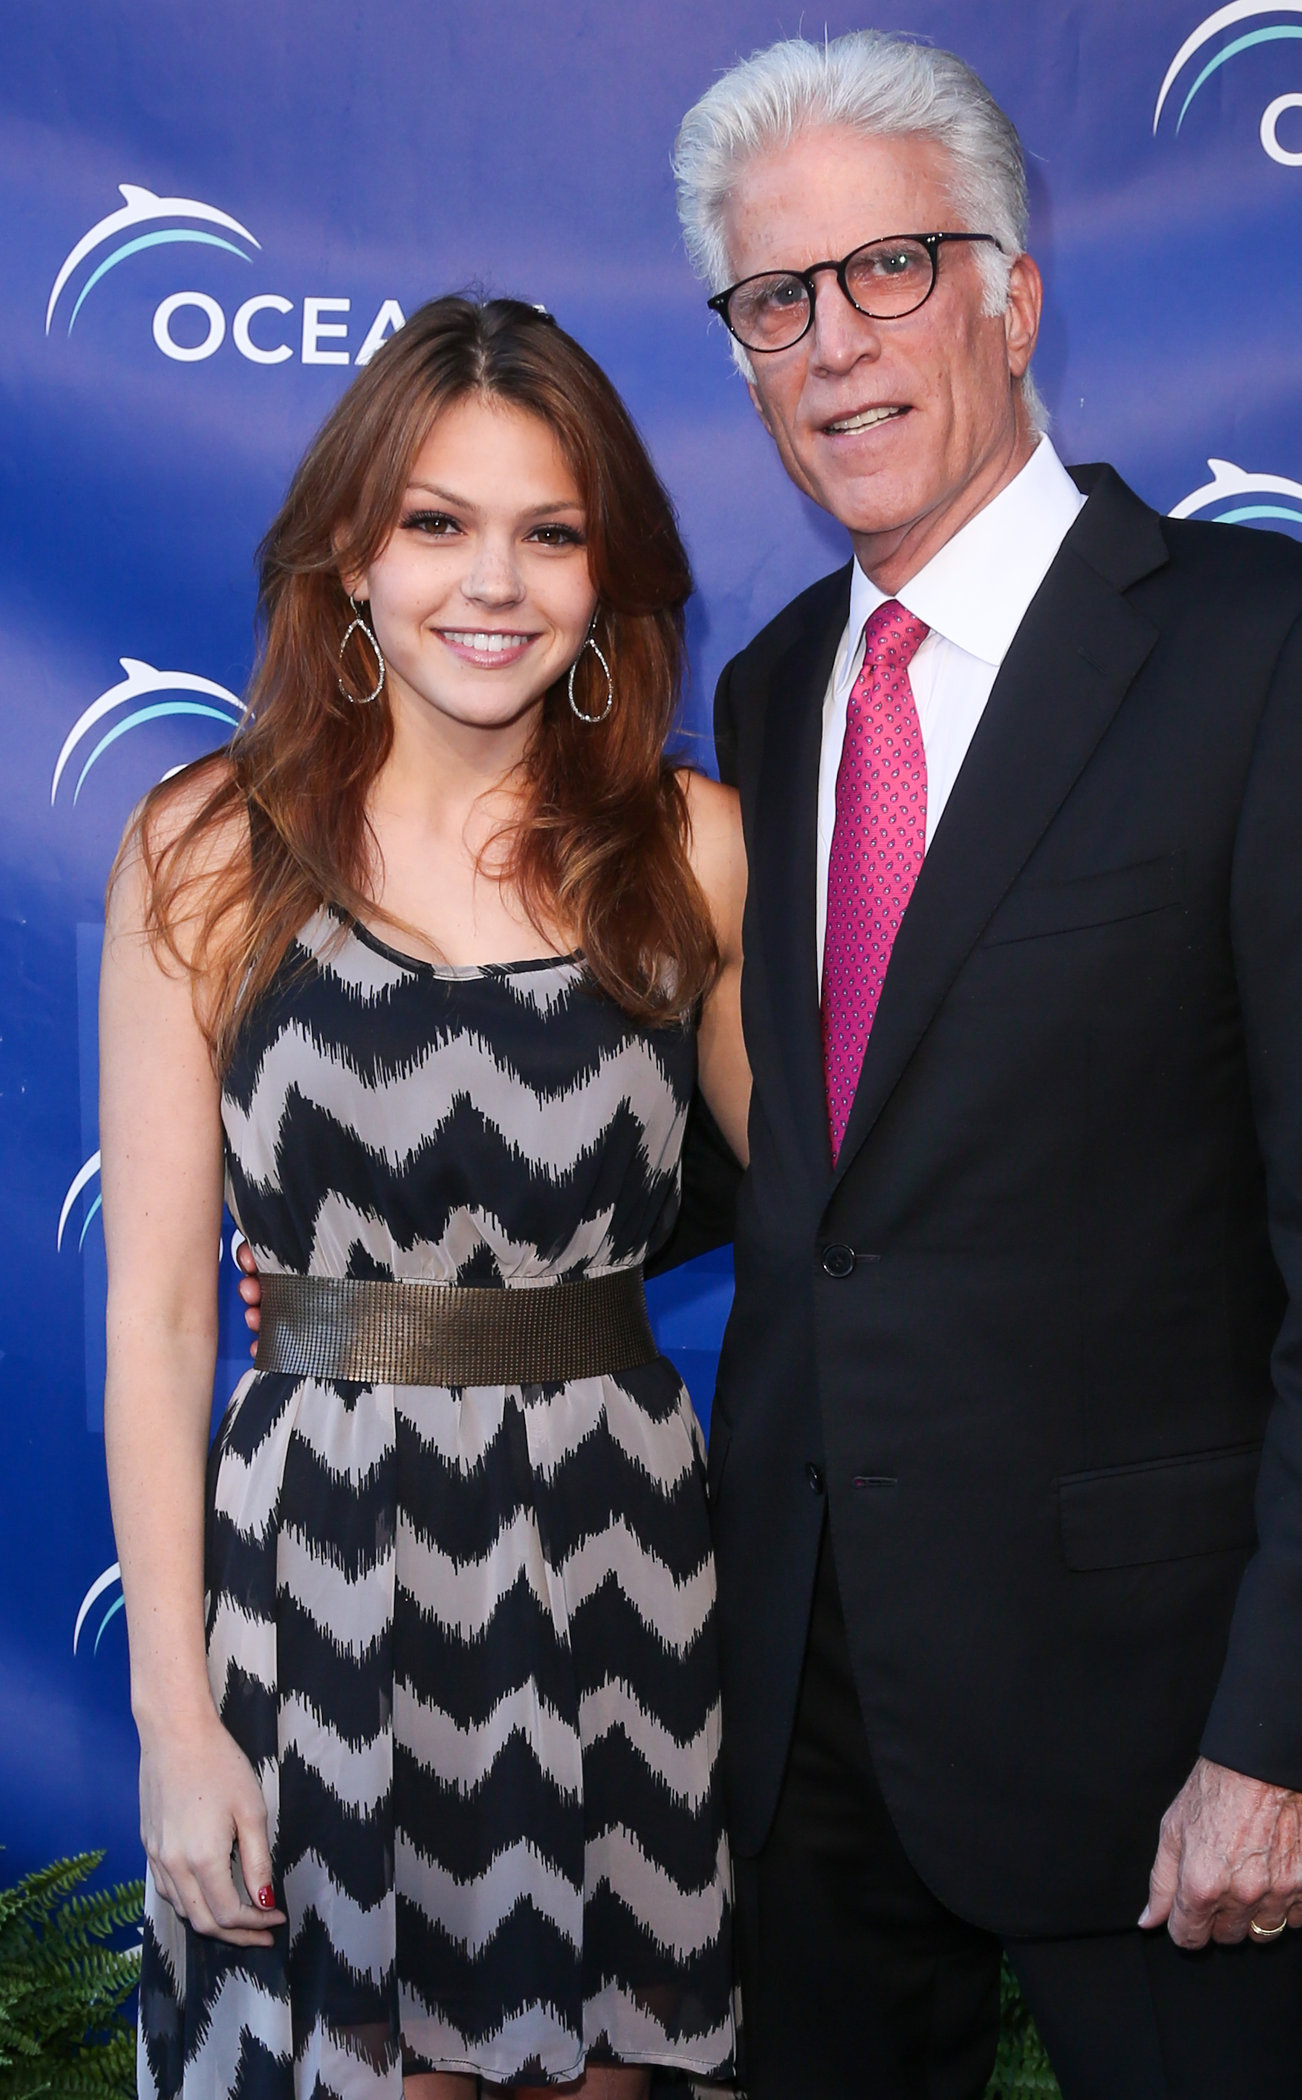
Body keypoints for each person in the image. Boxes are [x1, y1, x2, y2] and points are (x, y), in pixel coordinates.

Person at [659, 31, 1302, 2100]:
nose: (833, 344)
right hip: (806, 1724)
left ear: (1017, 297)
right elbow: (796, 1160)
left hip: (1160, 1738)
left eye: (892, 270)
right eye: (777, 301)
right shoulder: (763, 698)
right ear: (744, 357)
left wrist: (1285, 1738)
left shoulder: (1278, 654)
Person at [101, 295, 743, 2100]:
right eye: (437, 522)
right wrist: (176, 1721)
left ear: (607, 573)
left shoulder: (693, 849)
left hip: (622, 1575)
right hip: (318, 1582)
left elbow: (836, 1205)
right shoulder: (207, 847)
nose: (495, 581)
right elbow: (156, 1317)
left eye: (550, 531)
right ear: (349, 556)